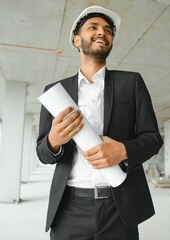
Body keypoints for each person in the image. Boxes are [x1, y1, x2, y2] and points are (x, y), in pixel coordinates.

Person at [36, 5, 163, 240]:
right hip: (68, 209)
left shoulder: (131, 83)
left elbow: (153, 139)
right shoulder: (56, 93)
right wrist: (53, 141)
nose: (102, 33)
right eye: (92, 27)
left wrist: (123, 150)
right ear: (76, 40)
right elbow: (42, 153)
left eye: (108, 30)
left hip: (119, 207)